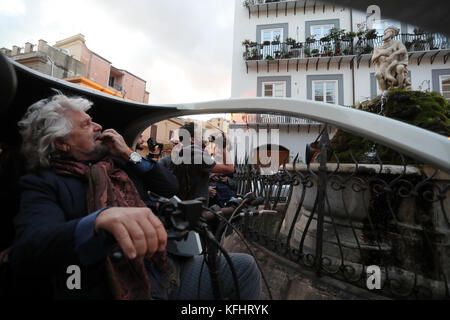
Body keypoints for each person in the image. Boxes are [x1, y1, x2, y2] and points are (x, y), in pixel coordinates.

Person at [9, 94, 261, 300]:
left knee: (245, 267)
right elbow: (30, 247)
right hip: (118, 284)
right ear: (61, 143)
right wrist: (97, 222)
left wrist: (130, 153)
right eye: (86, 125)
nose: (98, 127)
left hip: (167, 267)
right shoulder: (44, 183)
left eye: (93, 120)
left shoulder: (118, 163)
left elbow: (168, 185)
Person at [163, 122, 234, 206]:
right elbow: (230, 168)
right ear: (192, 139)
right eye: (200, 135)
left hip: (182, 204)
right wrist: (222, 145)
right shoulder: (198, 155)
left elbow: (190, 177)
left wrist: (208, 177)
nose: (203, 137)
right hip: (193, 207)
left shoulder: (182, 154)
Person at [371, 26, 411, 92]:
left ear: (392, 34)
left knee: (400, 68)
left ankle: (400, 88)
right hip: (383, 66)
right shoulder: (377, 48)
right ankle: (383, 93)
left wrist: (394, 54)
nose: (387, 34)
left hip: (395, 64)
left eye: (389, 32)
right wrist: (380, 54)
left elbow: (403, 50)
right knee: (377, 74)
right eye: (385, 32)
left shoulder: (397, 43)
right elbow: (373, 59)